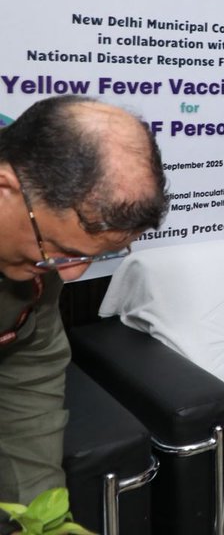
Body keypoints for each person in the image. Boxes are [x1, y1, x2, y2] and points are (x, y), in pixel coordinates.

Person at [0, 96, 167, 503]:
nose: (71, 273)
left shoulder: (41, 252)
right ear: (5, 188)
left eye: (90, 257)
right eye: (59, 248)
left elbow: (30, 368)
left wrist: (38, 513)